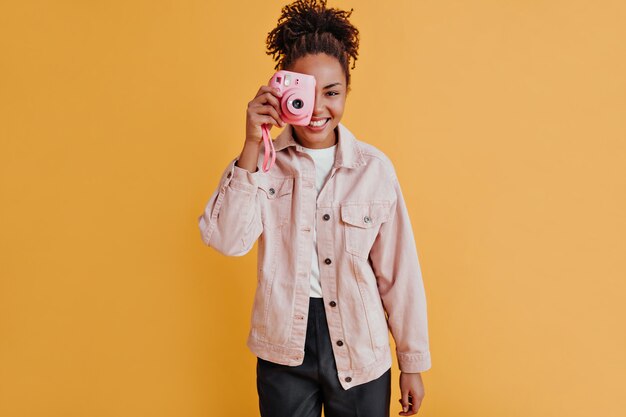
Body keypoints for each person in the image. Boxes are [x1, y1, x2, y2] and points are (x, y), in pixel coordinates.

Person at [198, 1, 431, 416]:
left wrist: (411, 363)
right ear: (283, 89)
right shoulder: (263, 165)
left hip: (361, 348)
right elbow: (227, 240)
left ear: (347, 91)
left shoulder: (374, 170)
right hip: (283, 348)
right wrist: (252, 142)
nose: (319, 108)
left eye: (332, 92)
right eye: (304, 92)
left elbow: (400, 272)